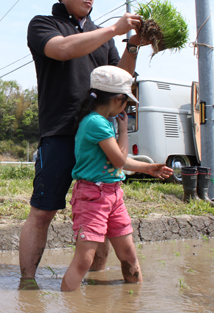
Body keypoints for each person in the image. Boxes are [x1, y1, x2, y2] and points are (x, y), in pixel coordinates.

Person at [20, 0, 147, 284]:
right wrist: (112, 29)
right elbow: (62, 49)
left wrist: (131, 45)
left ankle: (94, 285)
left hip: (99, 135)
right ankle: (27, 284)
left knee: (102, 208)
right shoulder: (44, 24)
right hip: (61, 131)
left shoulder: (100, 34)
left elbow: (121, 77)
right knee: (43, 210)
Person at [61, 65, 172, 291]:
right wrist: (124, 130)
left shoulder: (103, 122)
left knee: (129, 254)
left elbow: (118, 160)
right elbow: (120, 160)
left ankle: (132, 300)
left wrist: (149, 168)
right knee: (84, 259)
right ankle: (68, 302)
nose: (126, 109)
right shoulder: (96, 123)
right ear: (118, 99)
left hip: (113, 195)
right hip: (92, 196)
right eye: (126, 103)